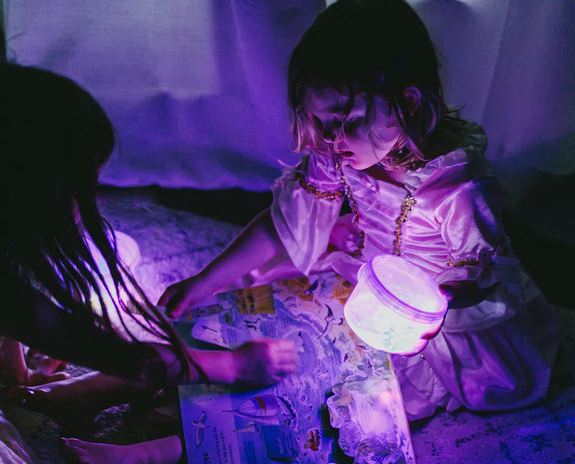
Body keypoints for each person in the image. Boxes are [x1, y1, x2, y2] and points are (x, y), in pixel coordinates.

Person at [0, 63, 296, 464]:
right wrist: (232, 364)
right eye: (81, 189)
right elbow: (134, 360)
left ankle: (80, 400)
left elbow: (4, 327)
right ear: (29, 193)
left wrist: (15, 372)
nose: (93, 202)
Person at [159, 0, 559, 422]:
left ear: (406, 102)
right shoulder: (340, 154)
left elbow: (481, 271)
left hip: (437, 313)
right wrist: (204, 281)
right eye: (320, 122)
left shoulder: (456, 186)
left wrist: (438, 301)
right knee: (284, 334)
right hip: (371, 278)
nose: (332, 139)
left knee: (354, 397)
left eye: (347, 121)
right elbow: (283, 224)